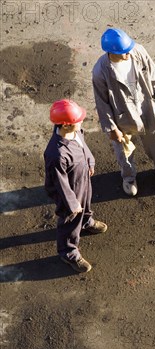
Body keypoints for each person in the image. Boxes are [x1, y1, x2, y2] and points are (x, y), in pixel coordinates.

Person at [92, 28, 155, 196]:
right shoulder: (100, 71)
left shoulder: (138, 52)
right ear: (111, 52)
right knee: (124, 150)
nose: (128, 53)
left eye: (128, 49)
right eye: (123, 52)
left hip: (146, 106)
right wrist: (112, 128)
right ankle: (129, 178)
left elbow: (153, 73)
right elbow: (102, 102)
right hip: (122, 115)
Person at [44, 99, 108, 273]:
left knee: (86, 203)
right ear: (65, 125)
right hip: (69, 191)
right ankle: (68, 252)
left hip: (83, 180)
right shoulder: (56, 154)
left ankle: (86, 222)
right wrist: (72, 204)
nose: (81, 122)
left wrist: (90, 162)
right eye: (76, 120)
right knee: (70, 220)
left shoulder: (76, 131)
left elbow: (83, 146)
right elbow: (59, 183)